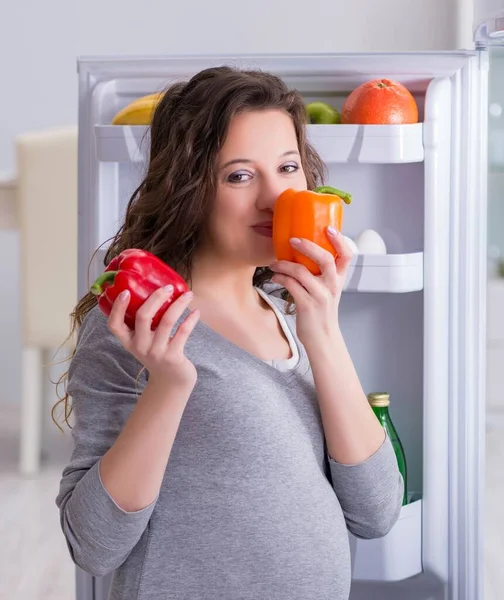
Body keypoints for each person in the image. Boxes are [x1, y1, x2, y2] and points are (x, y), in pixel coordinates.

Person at [55, 65, 403, 600]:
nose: (275, 198)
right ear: (189, 187)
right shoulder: (137, 325)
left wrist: (324, 335)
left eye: (288, 167)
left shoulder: (285, 315)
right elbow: (94, 545)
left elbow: (376, 511)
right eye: (239, 175)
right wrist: (169, 385)